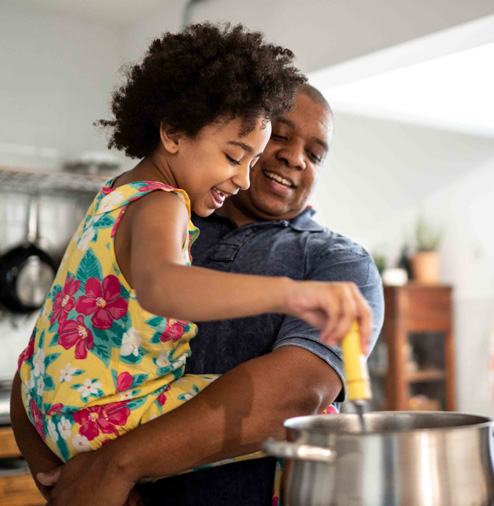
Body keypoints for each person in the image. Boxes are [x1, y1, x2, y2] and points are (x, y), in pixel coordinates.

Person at [11, 24, 374, 506]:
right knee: (328, 420)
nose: (245, 177)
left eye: (315, 152)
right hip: (96, 419)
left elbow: (294, 392)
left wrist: (107, 468)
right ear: (175, 133)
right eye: (240, 154)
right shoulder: (167, 208)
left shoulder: (116, 197)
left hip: (57, 409)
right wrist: (293, 294)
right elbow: (165, 286)